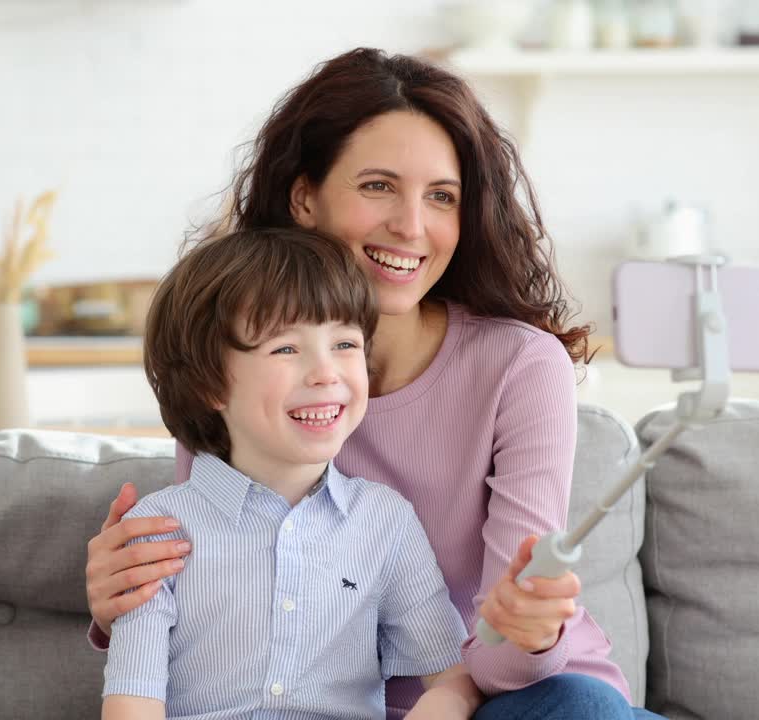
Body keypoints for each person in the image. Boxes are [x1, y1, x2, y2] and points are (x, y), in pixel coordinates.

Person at [86, 47, 665, 719]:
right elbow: (218, 577)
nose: (412, 226)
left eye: (441, 197)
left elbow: (502, 665)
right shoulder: (236, 363)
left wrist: (526, 629)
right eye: (377, 186)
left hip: (519, 697)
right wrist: (121, 597)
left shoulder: (519, 366)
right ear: (304, 196)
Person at [103, 226, 483, 720]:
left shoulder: (385, 522)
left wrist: (443, 707)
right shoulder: (160, 531)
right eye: (286, 349)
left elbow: (452, 676)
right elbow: (132, 701)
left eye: (345, 344)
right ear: (208, 383)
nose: (327, 373)